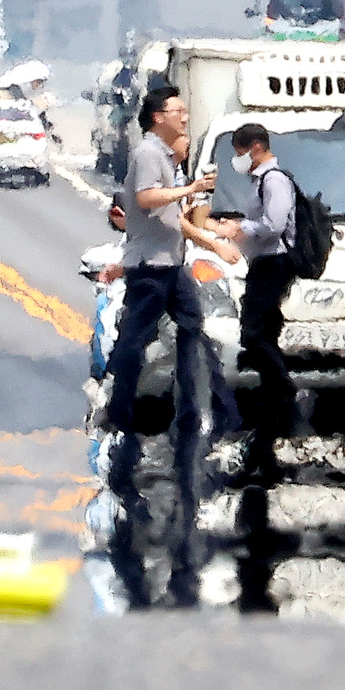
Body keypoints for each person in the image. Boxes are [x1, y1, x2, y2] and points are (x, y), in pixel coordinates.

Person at [101, 86, 218, 473]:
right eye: (178, 111)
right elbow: (147, 198)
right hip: (150, 266)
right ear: (158, 117)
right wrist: (191, 189)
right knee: (136, 339)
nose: (185, 117)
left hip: (171, 263)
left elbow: (171, 216)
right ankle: (119, 411)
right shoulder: (148, 153)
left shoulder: (165, 155)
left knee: (192, 329)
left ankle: (190, 409)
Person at [223, 121, 304, 446]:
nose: (239, 160)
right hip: (263, 263)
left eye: (240, 153)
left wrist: (242, 227)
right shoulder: (261, 181)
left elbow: (275, 223)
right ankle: (274, 405)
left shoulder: (274, 181)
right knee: (265, 331)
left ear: (256, 148)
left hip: (275, 263)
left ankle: (285, 391)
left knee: (253, 333)